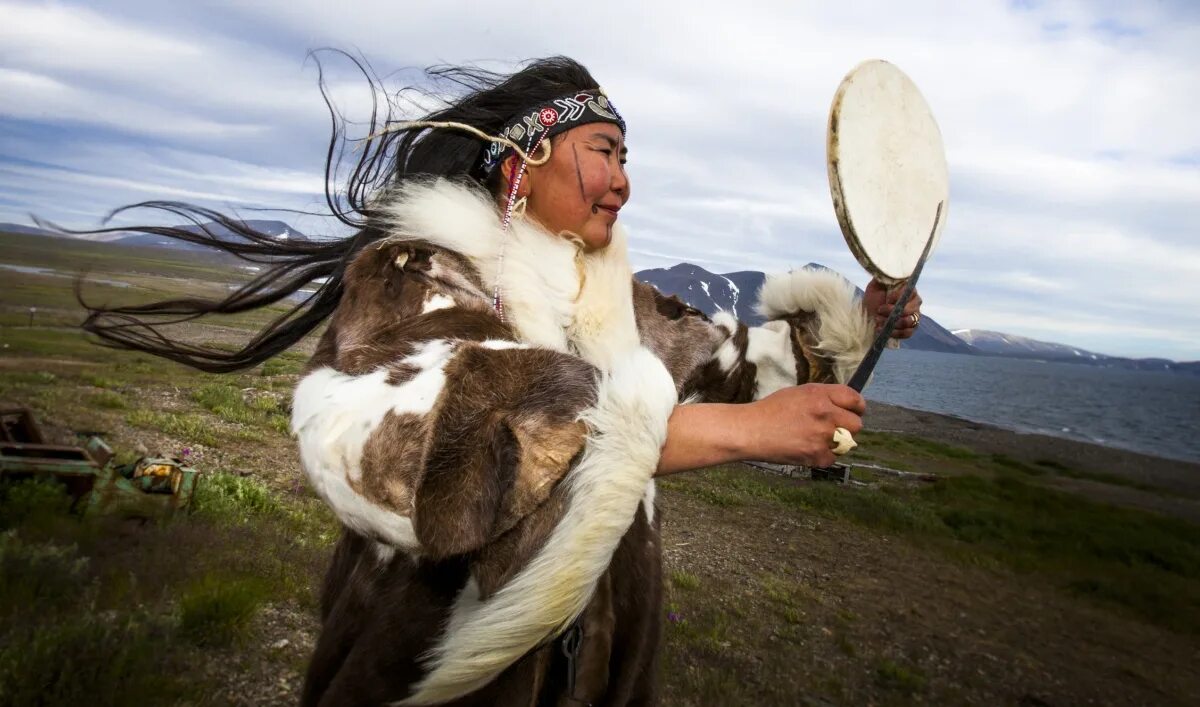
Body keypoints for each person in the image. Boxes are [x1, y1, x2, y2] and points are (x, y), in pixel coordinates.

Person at [77, 56, 921, 706]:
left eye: (630, 157)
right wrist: (730, 433)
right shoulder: (414, 272)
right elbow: (427, 438)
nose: (626, 179)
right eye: (606, 151)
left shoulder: (615, 307)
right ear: (526, 150)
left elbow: (743, 357)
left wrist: (862, 315)